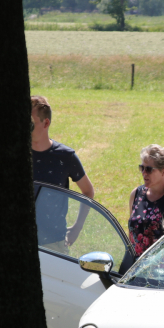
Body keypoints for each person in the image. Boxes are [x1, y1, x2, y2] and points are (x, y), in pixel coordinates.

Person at [31, 95, 94, 253]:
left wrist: (77, 227)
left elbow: (87, 191)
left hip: (54, 243)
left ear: (46, 123)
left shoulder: (66, 157)